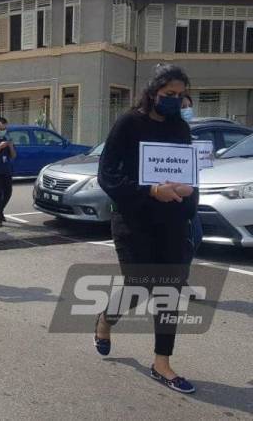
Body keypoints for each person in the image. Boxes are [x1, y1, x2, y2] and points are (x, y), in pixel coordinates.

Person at [95, 64, 198, 394]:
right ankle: (105, 320)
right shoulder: (129, 123)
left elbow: (186, 173)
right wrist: (150, 190)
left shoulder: (180, 129)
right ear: (154, 92)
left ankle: (161, 362)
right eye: (170, 95)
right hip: (134, 218)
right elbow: (108, 175)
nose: (176, 101)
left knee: (170, 289)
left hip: (171, 221)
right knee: (139, 286)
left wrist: (188, 192)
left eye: (181, 96)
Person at [181, 95, 203, 257]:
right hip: (174, 198)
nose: (187, 110)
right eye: (183, 107)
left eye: (189, 106)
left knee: (196, 236)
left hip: (191, 200)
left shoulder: (192, 137)